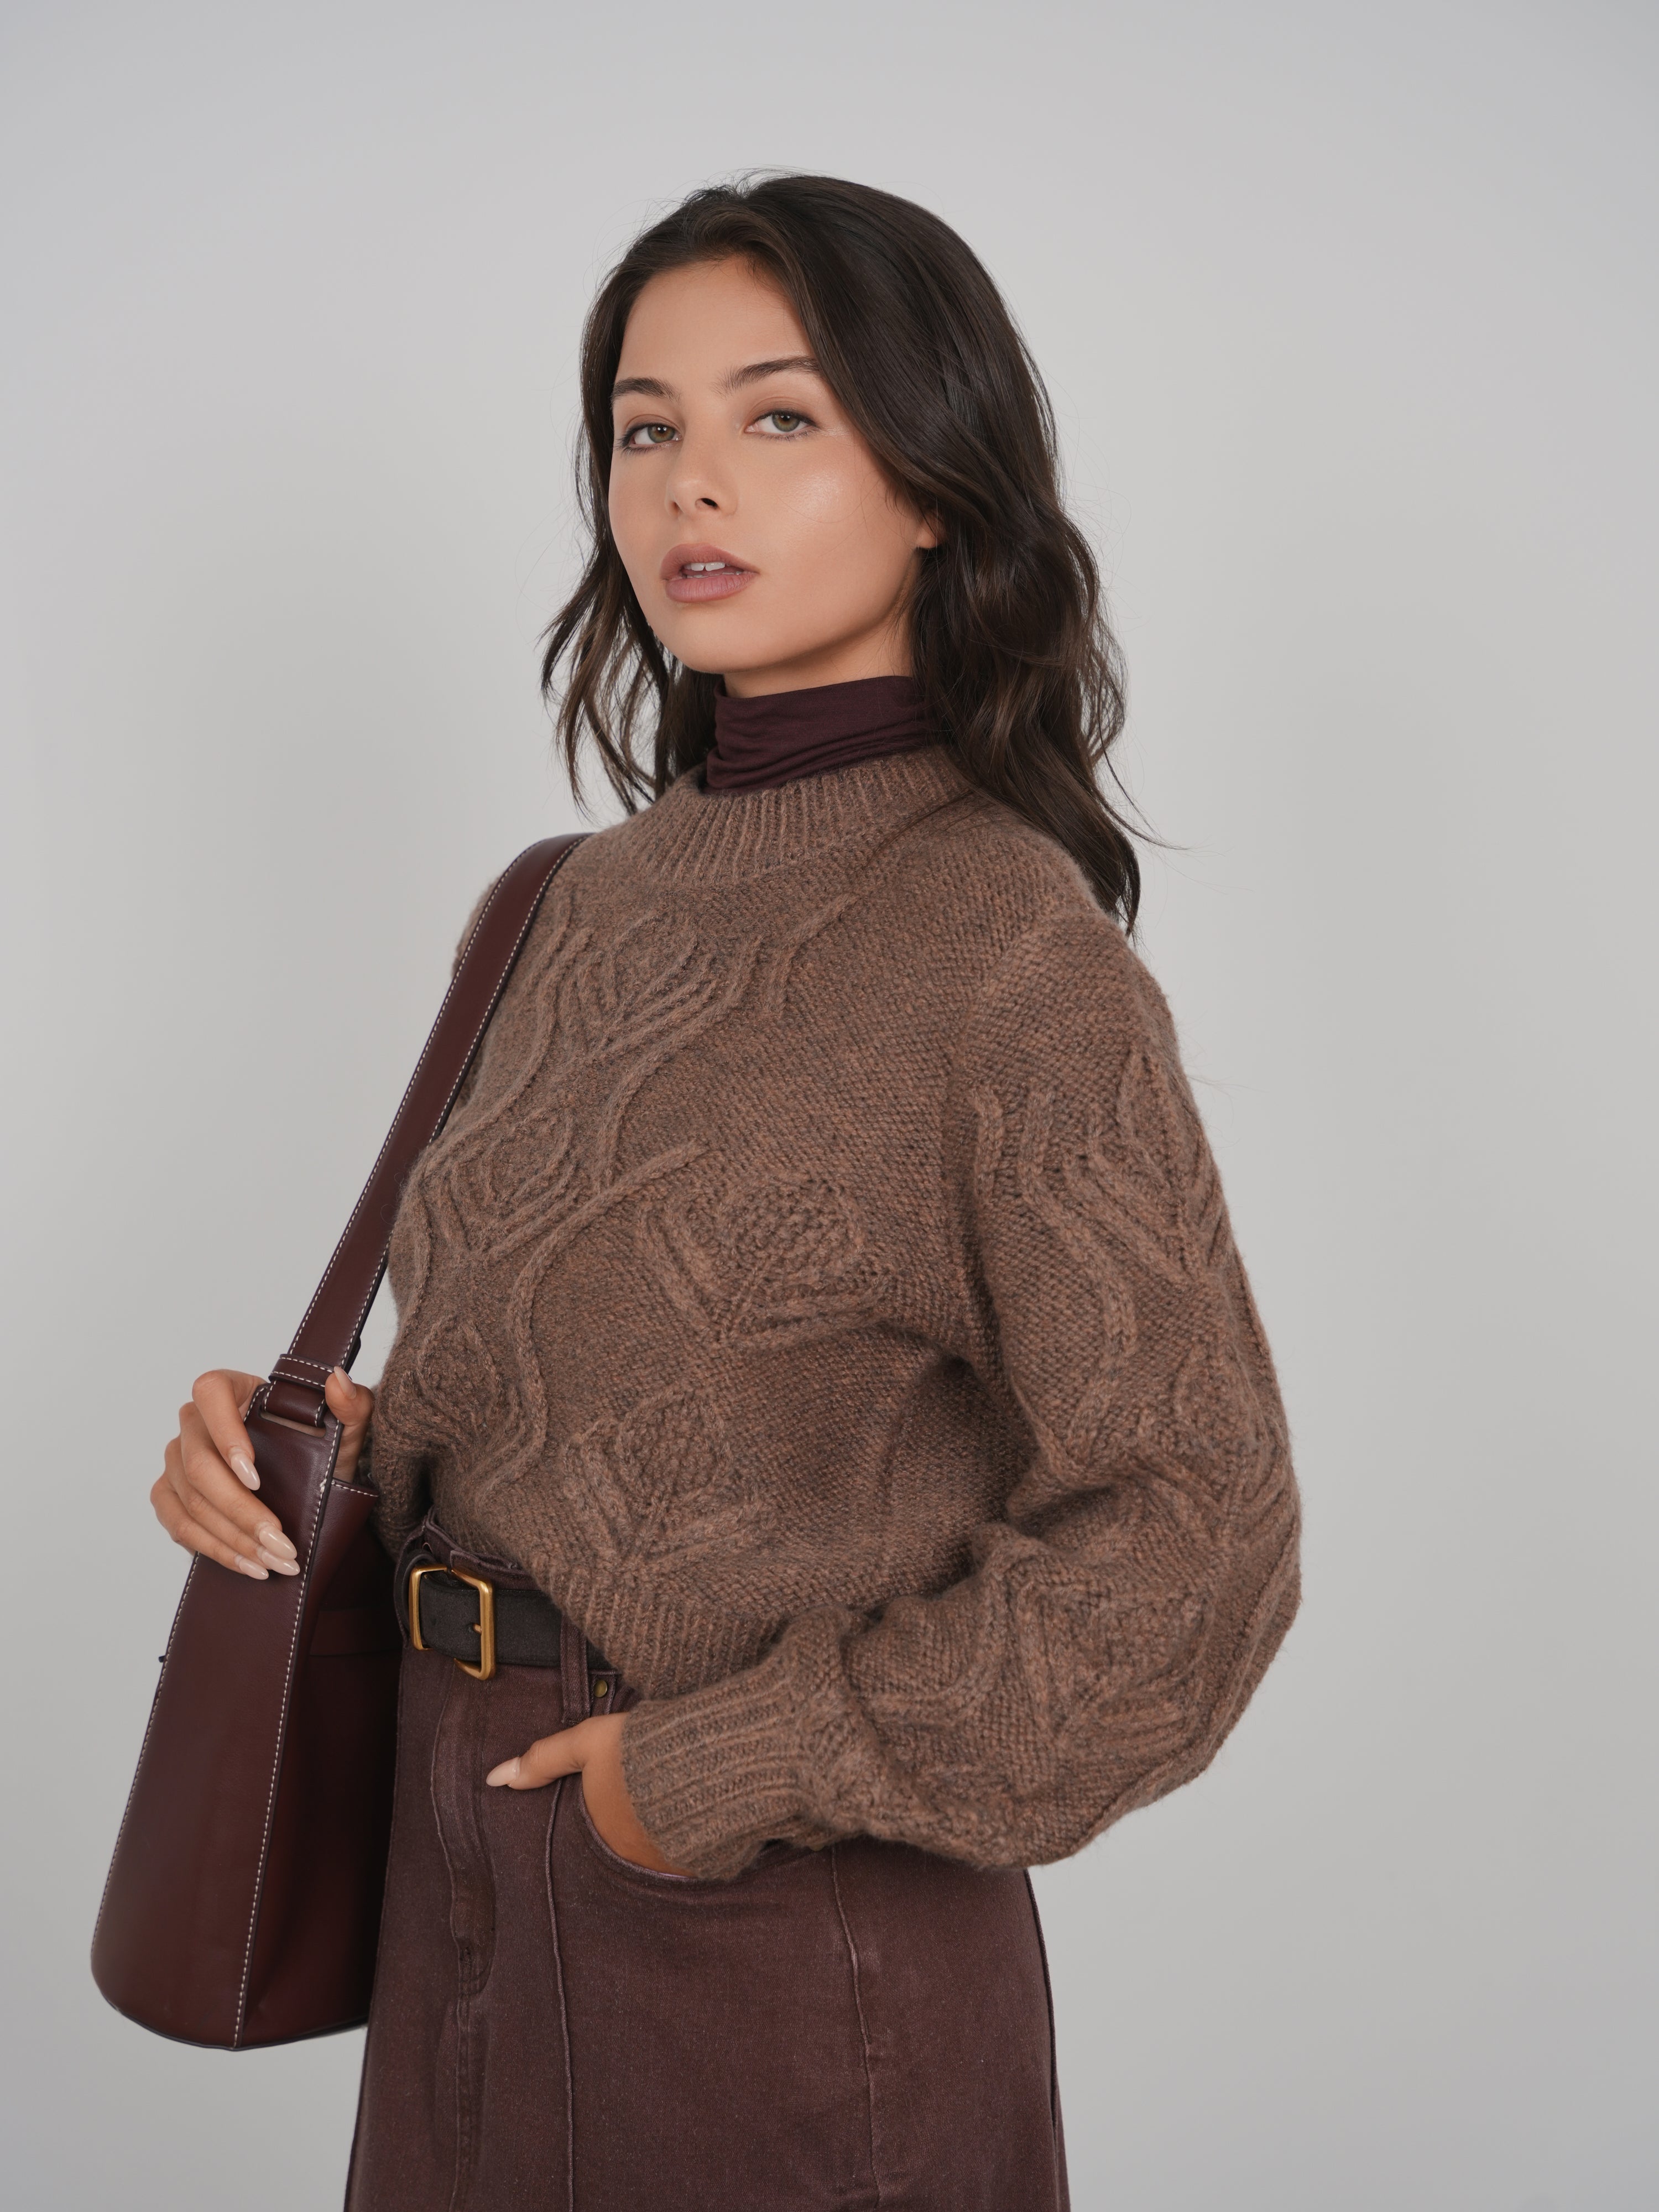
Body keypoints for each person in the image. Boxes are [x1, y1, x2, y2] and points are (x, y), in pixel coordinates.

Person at [150, 174, 1301, 2211]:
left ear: (934, 482)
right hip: (451, 1885)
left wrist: (717, 1778)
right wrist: (310, 1462)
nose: (693, 482)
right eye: (644, 426)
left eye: (781, 416)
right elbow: (602, 1402)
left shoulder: (1002, 951)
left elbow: (1197, 1542)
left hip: (771, 1932)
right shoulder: (558, 908)